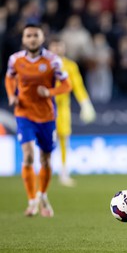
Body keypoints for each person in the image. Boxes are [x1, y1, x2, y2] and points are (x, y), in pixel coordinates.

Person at [4, 23, 72, 217]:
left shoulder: (53, 61)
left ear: (42, 38)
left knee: (45, 159)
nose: (32, 39)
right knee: (28, 156)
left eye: (36, 35)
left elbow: (66, 85)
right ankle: (32, 200)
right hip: (24, 113)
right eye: (28, 36)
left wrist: (49, 92)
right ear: (23, 39)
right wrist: (11, 95)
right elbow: (9, 78)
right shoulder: (15, 60)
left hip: (47, 116)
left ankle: (43, 195)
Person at [48, 36, 96, 187]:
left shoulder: (70, 66)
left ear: (64, 48)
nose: (57, 49)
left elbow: (78, 86)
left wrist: (85, 104)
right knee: (46, 141)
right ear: (49, 49)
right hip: (45, 108)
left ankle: (64, 174)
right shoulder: (43, 65)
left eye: (59, 46)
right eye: (54, 46)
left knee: (64, 140)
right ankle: (45, 172)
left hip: (63, 109)